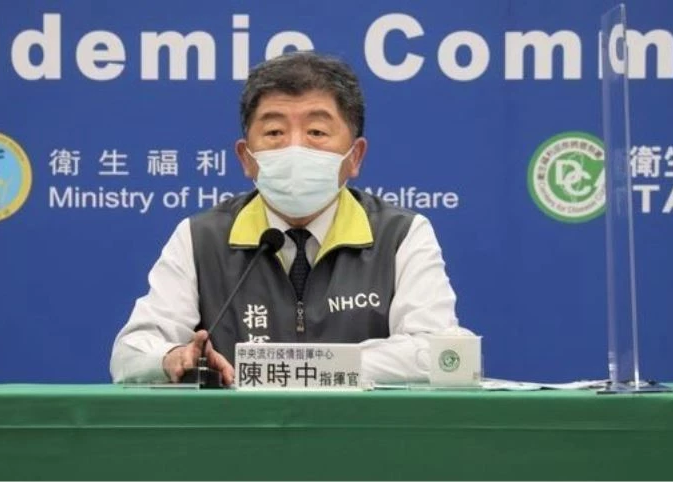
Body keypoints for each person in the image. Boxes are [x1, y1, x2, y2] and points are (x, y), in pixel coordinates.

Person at [110, 51, 461, 385]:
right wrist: (173, 357)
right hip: (241, 427)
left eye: (317, 132)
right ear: (246, 158)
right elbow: (130, 353)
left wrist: (294, 367)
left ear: (355, 156)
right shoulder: (201, 238)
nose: (295, 148)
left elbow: (437, 352)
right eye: (275, 132)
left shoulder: (400, 235)